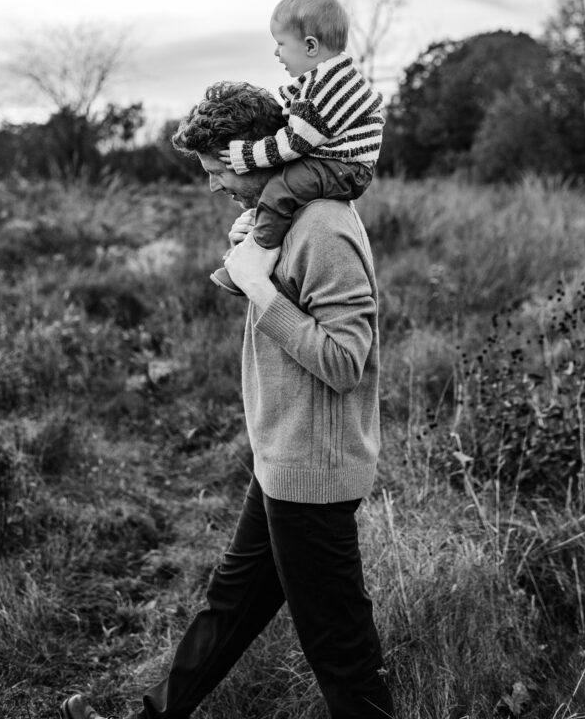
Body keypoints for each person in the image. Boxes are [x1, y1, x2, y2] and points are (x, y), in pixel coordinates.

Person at [60, 80, 395, 719]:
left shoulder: (324, 227)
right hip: (280, 461)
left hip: (313, 476)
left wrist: (259, 292)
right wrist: (252, 271)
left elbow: (346, 361)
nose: (214, 184)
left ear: (259, 155)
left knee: (342, 656)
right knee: (228, 609)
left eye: (218, 169)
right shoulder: (281, 222)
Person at [209, 0, 384, 295]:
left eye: (280, 44)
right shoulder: (326, 81)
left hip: (343, 166)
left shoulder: (328, 89)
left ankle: (254, 264)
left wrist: (247, 155)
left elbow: (294, 142)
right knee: (280, 191)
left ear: (310, 46)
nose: (276, 53)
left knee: (281, 189)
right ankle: (251, 250)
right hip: (338, 163)